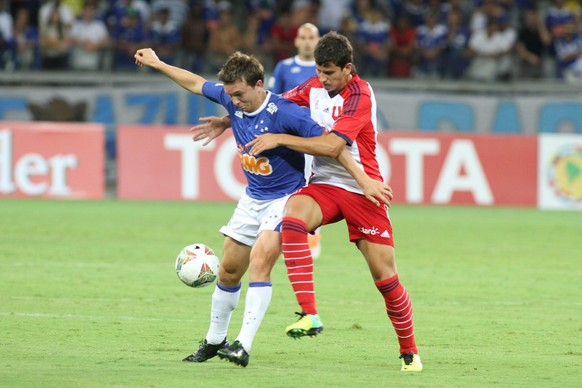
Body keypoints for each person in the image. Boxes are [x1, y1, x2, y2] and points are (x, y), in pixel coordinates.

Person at [134, 47, 391, 368]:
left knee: (260, 261)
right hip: (253, 197)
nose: (235, 101)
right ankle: (215, 340)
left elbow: (334, 148)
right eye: (230, 96)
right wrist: (158, 64)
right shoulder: (232, 99)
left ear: (259, 85)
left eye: (240, 94)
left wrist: (364, 181)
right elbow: (195, 83)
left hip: (289, 197)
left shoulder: (287, 113)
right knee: (228, 269)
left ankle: (243, 344)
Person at [195, 31, 423, 372]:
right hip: (325, 184)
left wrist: (279, 139)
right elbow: (271, 106)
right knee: (292, 218)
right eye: (319, 71)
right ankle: (309, 314)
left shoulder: (359, 95)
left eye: (329, 73)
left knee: (385, 278)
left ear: (347, 69)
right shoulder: (311, 88)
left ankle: (410, 352)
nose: (322, 79)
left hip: (363, 190)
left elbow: (333, 147)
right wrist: (228, 121)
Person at [267, 22, 323, 259]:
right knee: (283, 186)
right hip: (286, 138)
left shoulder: (323, 68)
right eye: (303, 37)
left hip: (313, 138)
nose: (308, 41)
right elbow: (273, 100)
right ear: (296, 41)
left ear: (318, 41)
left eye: (312, 37)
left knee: (313, 186)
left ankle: (311, 237)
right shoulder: (283, 67)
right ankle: (276, 233)